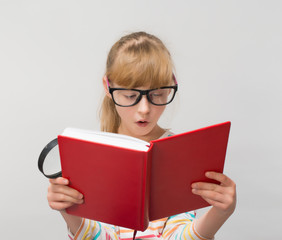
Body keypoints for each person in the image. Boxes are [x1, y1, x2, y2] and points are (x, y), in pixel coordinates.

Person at [47, 31, 236, 240]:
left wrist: (220, 213)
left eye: (157, 94)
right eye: (130, 96)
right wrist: (68, 211)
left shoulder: (179, 155)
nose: (144, 109)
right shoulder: (94, 155)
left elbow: (178, 235)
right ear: (108, 87)